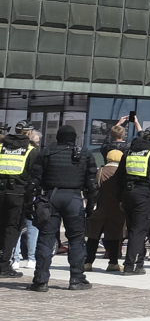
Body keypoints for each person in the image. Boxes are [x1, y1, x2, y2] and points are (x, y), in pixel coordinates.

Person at [31, 126, 92, 292]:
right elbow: (91, 183)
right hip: (73, 198)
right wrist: (91, 205)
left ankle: (41, 280)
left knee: (46, 238)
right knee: (76, 239)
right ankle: (76, 278)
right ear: (74, 138)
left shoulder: (46, 152)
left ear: (58, 137)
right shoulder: (85, 154)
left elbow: (35, 178)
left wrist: (35, 201)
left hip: (50, 197)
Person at [117, 126, 150, 276]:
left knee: (134, 230)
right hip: (145, 195)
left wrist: (120, 198)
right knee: (139, 231)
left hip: (128, 194)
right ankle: (130, 265)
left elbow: (119, 176)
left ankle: (138, 264)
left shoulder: (129, 151)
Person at [0, 122, 41, 278]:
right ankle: (4, 266)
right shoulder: (31, 151)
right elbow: (35, 176)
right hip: (18, 194)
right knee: (12, 229)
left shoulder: (1, 147)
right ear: (29, 133)